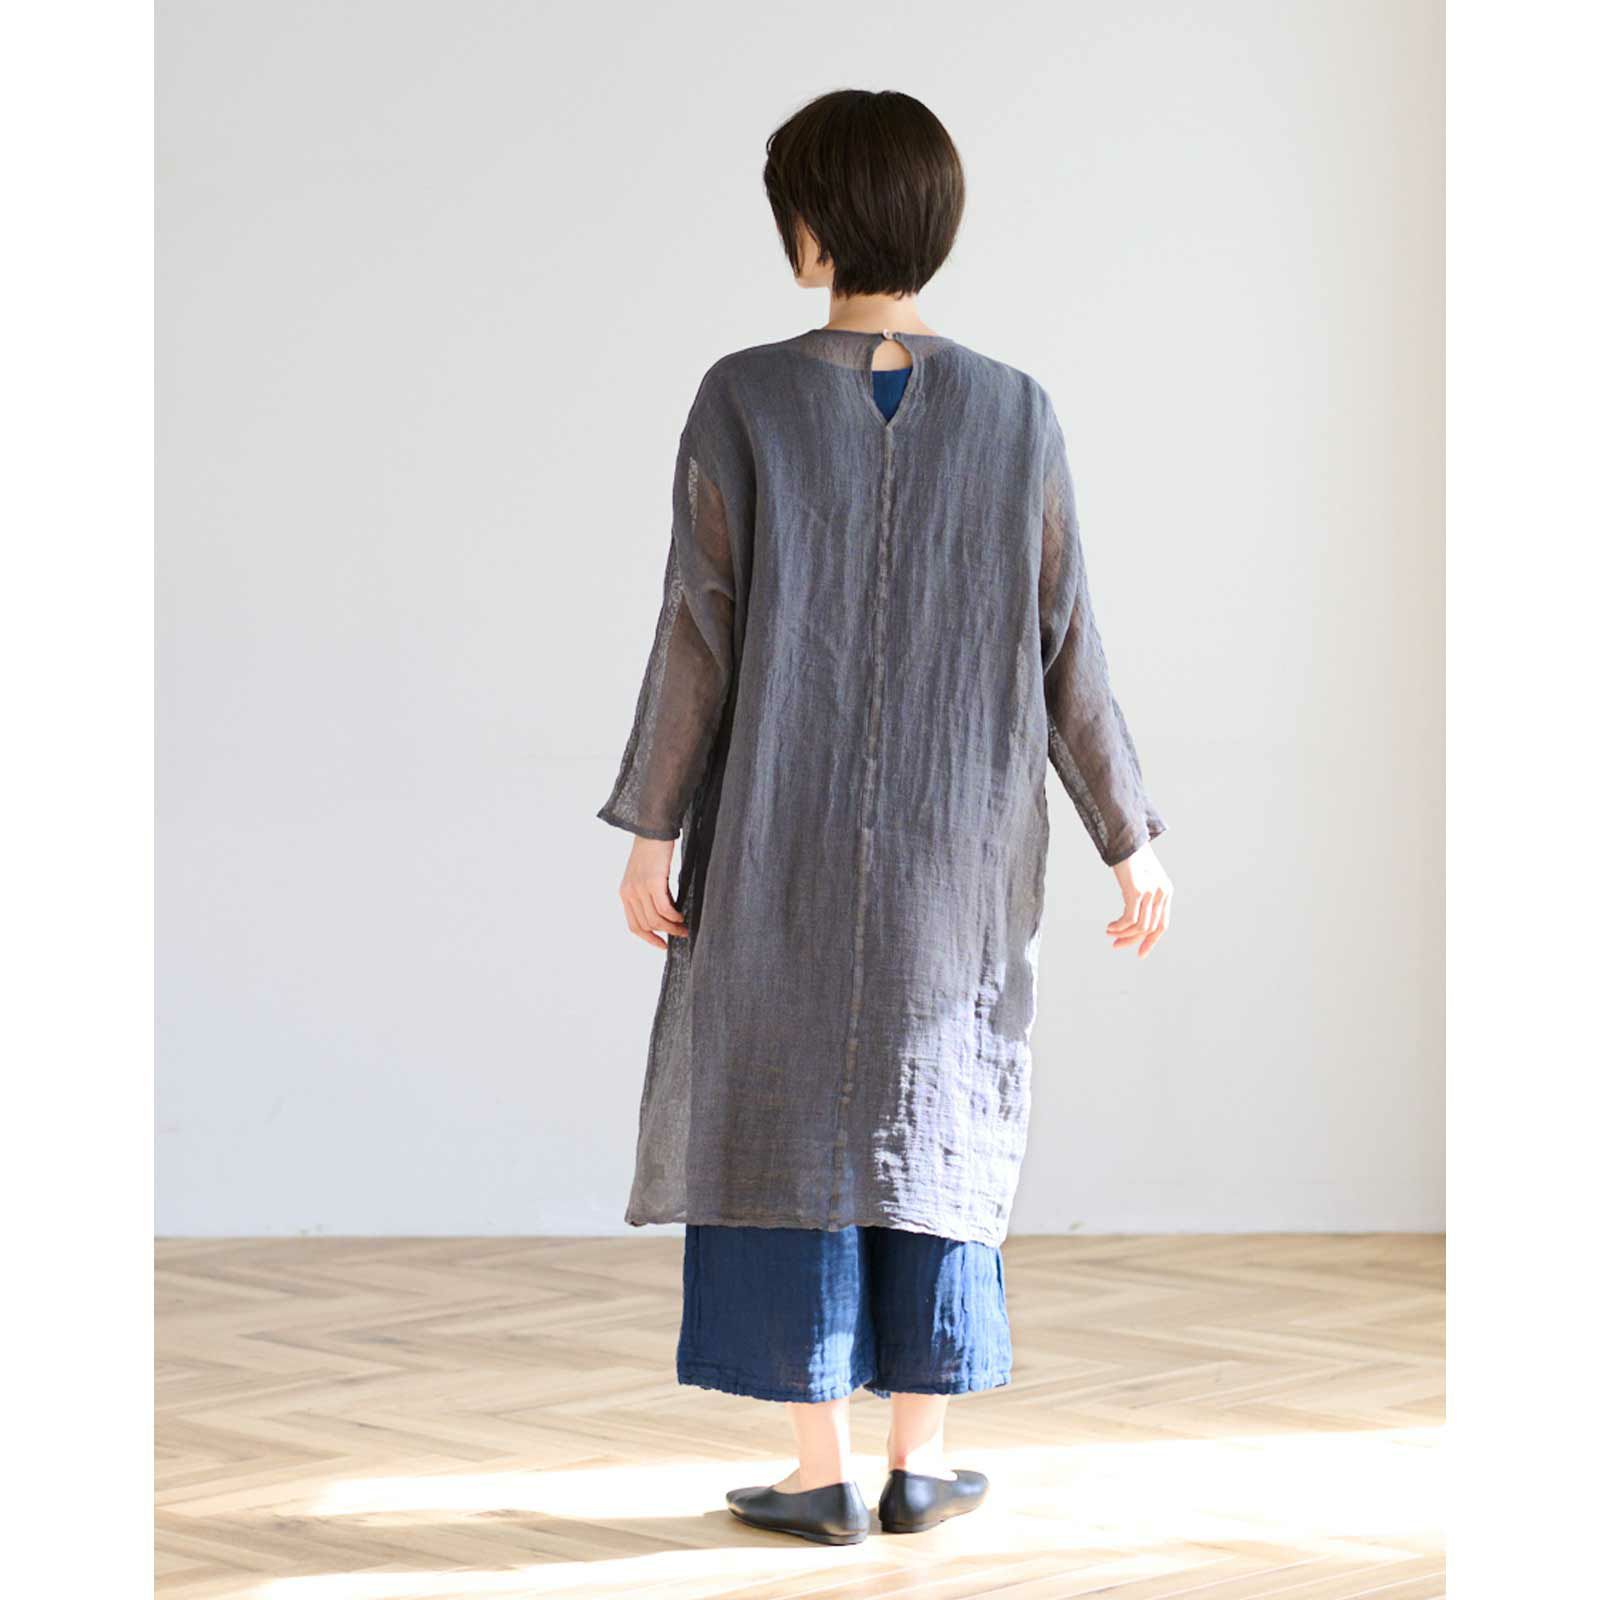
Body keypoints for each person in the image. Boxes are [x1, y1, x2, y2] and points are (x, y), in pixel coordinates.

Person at [597, 88, 1172, 1547]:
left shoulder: (744, 395)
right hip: (956, 859)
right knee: (940, 1111)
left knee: (779, 1116)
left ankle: (820, 1474)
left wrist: (654, 824)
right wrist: (1129, 836)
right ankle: (923, 1462)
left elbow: (697, 630)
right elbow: (1068, 646)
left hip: (774, 840)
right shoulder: (1018, 411)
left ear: (812, 224)